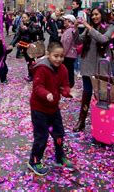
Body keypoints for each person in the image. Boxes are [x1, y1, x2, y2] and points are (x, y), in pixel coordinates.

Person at [27, 41, 74, 176]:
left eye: (61, 56)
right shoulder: (42, 68)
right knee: (41, 136)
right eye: (55, 56)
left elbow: (65, 85)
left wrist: (67, 92)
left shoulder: (63, 69)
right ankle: (34, 161)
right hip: (39, 109)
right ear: (48, 55)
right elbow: (38, 87)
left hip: (53, 108)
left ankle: (60, 157)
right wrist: (46, 94)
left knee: (59, 133)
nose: (59, 59)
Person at [73, 7, 114, 132]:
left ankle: (102, 121)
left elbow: (103, 39)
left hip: (101, 67)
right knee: (86, 93)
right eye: (92, 15)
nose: (94, 17)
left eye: (97, 14)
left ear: (102, 15)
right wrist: (74, 28)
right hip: (87, 65)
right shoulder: (88, 29)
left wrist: (88, 27)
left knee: (102, 96)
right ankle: (81, 121)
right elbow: (78, 41)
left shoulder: (110, 27)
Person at [10, 13, 41, 81]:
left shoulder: (32, 24)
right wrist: (12, 44)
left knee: (31, 61)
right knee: (28, 61)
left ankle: (32, 75)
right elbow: (17, 35)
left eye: (24, 17)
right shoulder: (21, 25)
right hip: (24, 45)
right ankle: (31, 75)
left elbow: (36, 32)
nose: (23, 19)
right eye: (22, 18)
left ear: (28, 18)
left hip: (31, 45)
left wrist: (27, 29)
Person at [60, 14, 78, 88]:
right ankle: (69, 83)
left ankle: (69, 84)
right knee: (69, 69)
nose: (64, 21)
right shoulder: (69, 30)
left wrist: (62, 54)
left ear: (70, 21)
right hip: (70, 54)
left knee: (67, 69)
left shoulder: (70, 31)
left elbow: (66, 44)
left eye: (65, 20)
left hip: (68, 54)